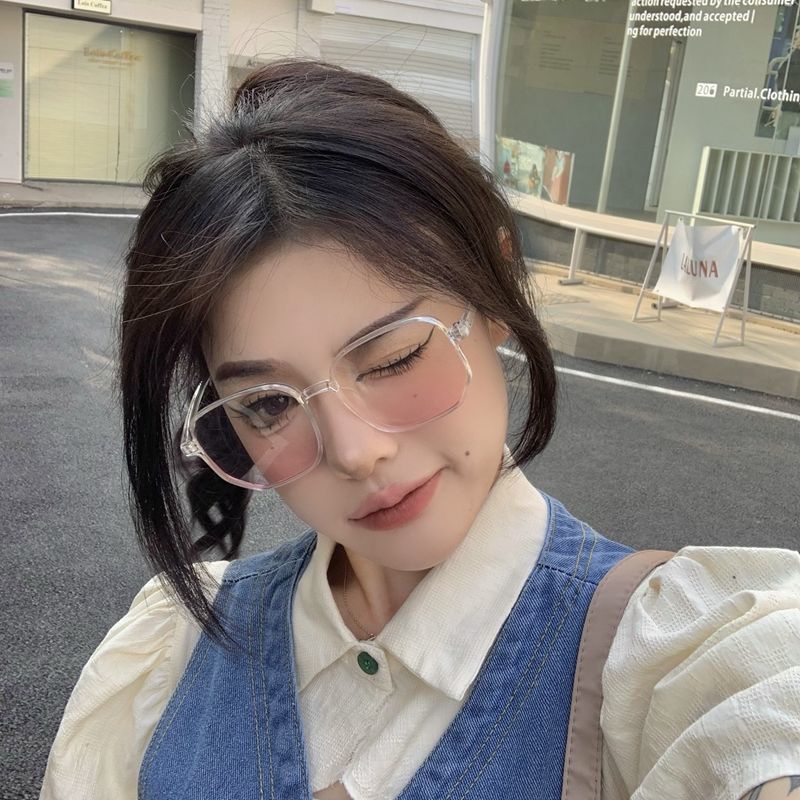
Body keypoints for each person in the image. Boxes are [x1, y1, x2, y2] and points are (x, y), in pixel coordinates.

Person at [39, 58, 800, 800]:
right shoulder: (174, 644)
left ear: (494, 293)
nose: (355, 451)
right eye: (268, 404)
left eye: (395, 357)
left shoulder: (674, 653)